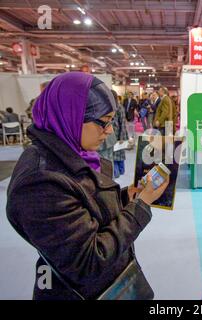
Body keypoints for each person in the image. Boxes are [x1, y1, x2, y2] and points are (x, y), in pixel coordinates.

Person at [6, 72, 169, 300]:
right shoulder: (41, 182)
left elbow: (84, 207)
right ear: (71, 115)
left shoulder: (68, 153)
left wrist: (126, 198)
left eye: (111, 121)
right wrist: (140, 206)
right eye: (103, 122)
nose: (110, 130)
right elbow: (89, 262)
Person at [111, 90, 129, 179]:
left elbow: (122, 123)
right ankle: (118, 172)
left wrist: (121, 137)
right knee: (116, 156)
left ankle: (118, 172)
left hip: (119, 135)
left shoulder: (119, 107)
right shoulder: (112, 106)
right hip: (113, 135)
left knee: (118, 156)